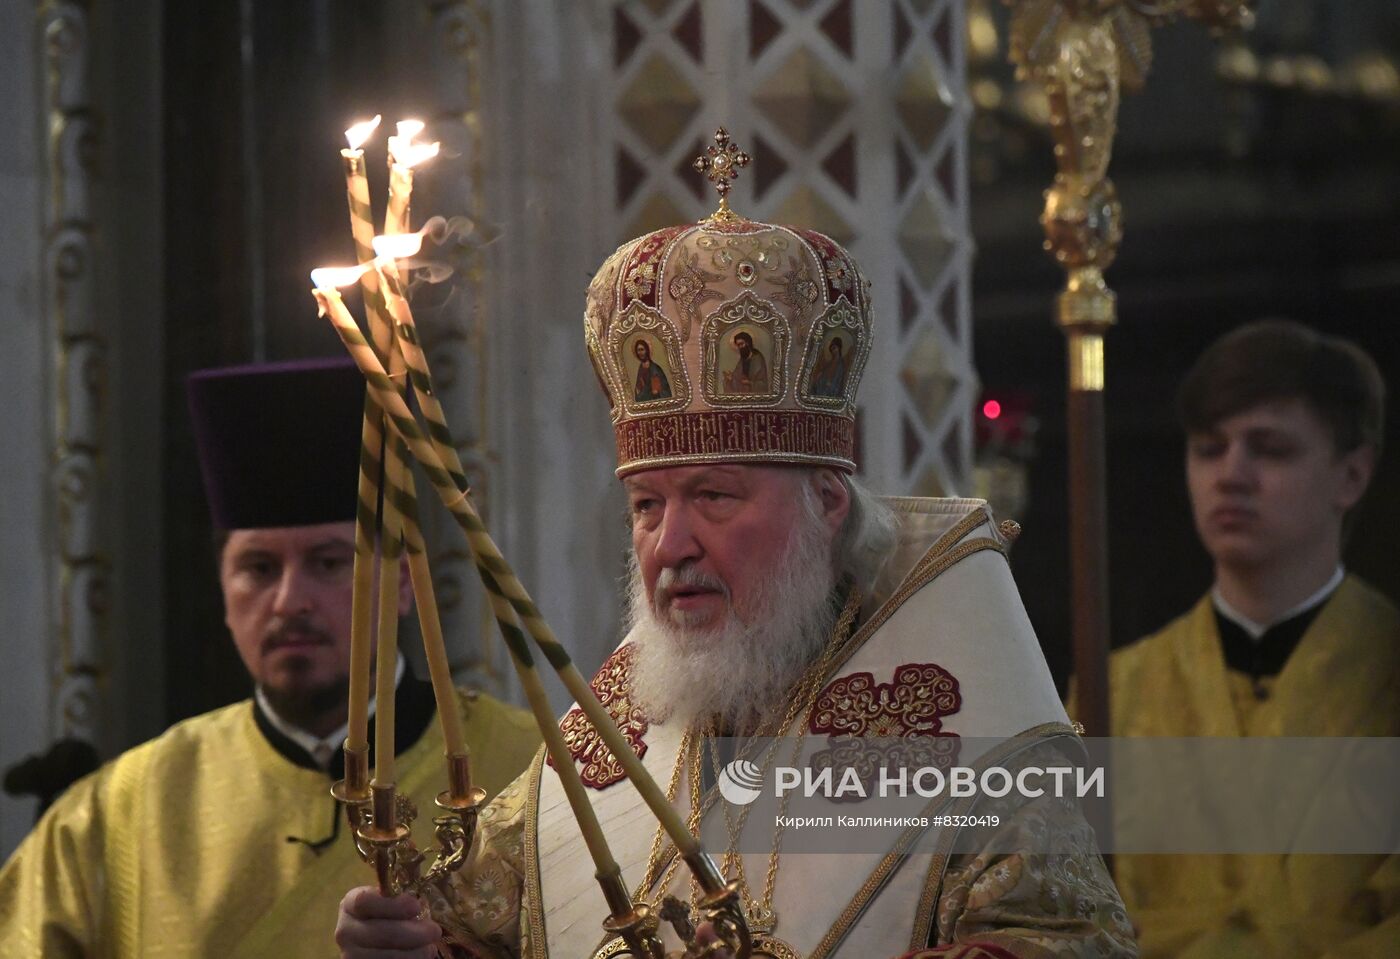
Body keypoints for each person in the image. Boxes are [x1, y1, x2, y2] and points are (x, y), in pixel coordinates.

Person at [337, 193, 1135, 958]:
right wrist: (414, 948)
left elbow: (1073, 945)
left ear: (827, 502)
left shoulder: (969, 721)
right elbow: (485, 931)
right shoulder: (622, 721)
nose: (671, 543)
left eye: (714, 496)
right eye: (647, 505)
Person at [0, 358, 540, 958]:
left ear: (405, 584)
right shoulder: (114, 815)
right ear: (223, 592)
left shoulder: (534, 773)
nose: (288, 602)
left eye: (329, 562)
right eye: (258, 568)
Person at [1093, 321, 1399, 957]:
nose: (1232, 475)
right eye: (1209, 447)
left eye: (1271, 449)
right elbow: (1065, 911)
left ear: (1352, 475)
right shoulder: (1112, 691)